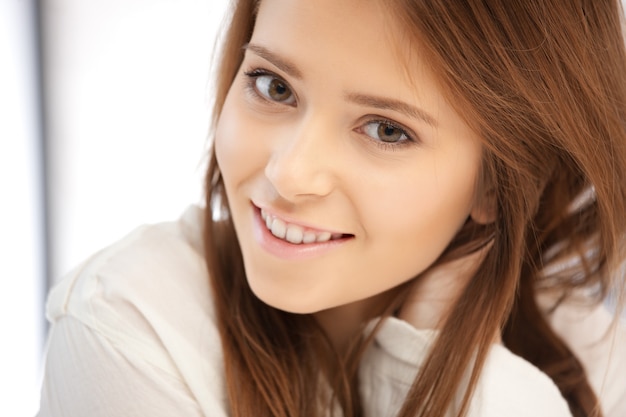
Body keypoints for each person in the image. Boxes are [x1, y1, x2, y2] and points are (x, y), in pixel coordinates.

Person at [37, 0, 626, 416]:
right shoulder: (132, 327)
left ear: (495, 186)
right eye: (274, 86)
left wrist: (441, 362)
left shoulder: (592, 350)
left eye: (387, 130)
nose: (287, 174)